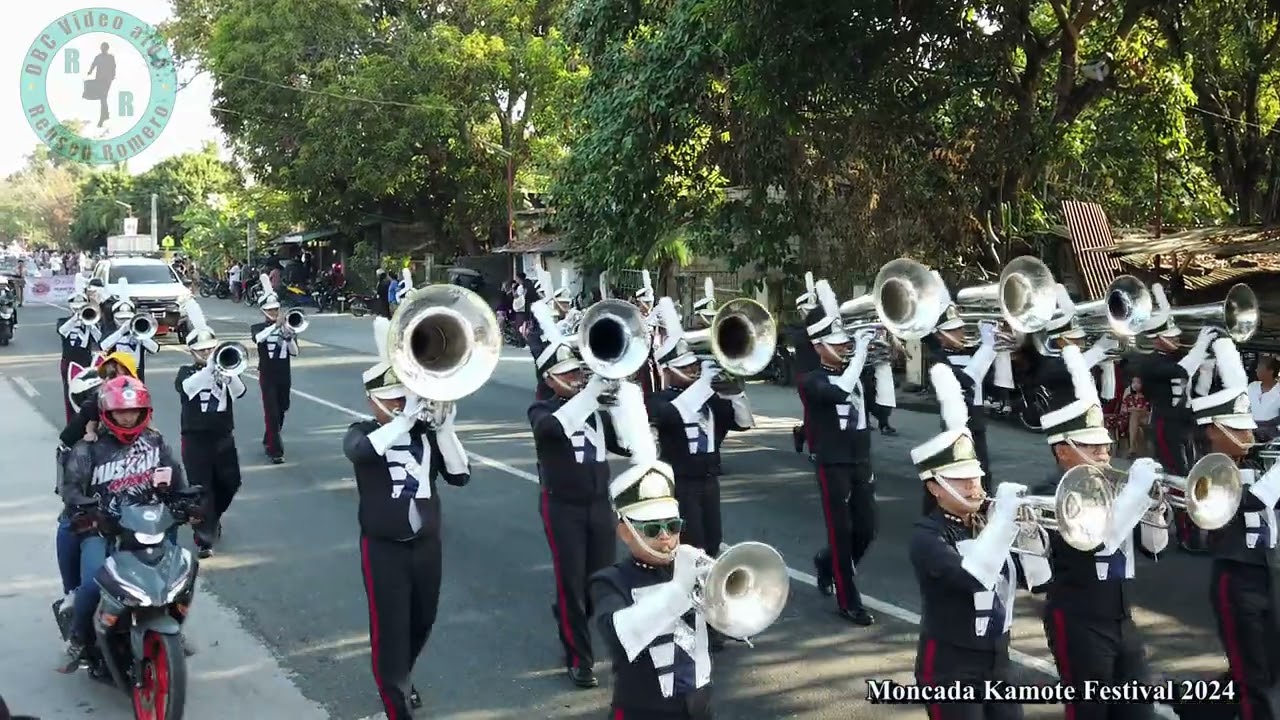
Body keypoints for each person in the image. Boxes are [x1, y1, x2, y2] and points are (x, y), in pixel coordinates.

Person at [344, 315, 471, 718]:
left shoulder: (425, 434)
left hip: (426, 545)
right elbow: (363, 454)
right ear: (374, 401)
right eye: (396, 398)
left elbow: (460, 475)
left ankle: (401, 676)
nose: (405, 404)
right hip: (384, 548)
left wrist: (446, 428)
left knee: (423, 620)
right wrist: (403, 419)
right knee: (389, 631)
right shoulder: (362, 432)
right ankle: (396, 701)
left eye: (407, 397)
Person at [1035, 344, 1166, 720]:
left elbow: (1153, 546)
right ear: (1062, 450)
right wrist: (1137, 494)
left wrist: (1155, 506)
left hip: (1122, 616)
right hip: (1078, 620)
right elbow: (1099, 537)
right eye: (1093, 446)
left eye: (1106, 444)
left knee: (1140, 714)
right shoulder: (1051, 493)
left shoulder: (1117, 487)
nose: (1106, 452)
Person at [911, 363, 1048, 720]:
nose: (975, 486)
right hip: (949, 668)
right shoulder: (927, 538)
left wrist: (1029, 529)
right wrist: (1003, 522)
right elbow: (973, 578)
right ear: (935, 488)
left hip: (996, 659)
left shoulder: (988, 523)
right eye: (962, 480)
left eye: (976, 477)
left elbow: (1039, 578)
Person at [1169, 337, 1279, 720]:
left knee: (1264, 667)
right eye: (1240, 429)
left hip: (1268, 574)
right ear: (1214, 430)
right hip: (1237, 580)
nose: (1250, 435)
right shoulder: (1207, 471)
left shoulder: (1257, 458)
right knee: (1254, 679)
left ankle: (1197, 708)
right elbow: (1248, 500)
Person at [526, 299, 631, 688]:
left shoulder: (595, 408)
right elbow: (552, 430)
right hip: (562, 506)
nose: (576, 378)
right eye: (567, 374)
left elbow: (625, 444)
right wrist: (589, 395)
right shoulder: (541, 411)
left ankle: (570, 619)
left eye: (578, 372)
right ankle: (579, 658)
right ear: (550, 379)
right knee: (571, 582)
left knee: (601, 580)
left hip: (599, 504)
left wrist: (622, 404)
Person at [590, 431, 715, 719]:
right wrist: (679, 590)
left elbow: (727, 627)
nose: (666, 537)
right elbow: (619, 637)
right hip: (642, 710)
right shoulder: (610, 581)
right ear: (625, 532)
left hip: (699, 702)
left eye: (672, 525)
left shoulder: (690, 568)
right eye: (651, 529)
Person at [58, 376, 185, 659]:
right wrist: (90, 510)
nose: (127, 418)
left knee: (179, 575)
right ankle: (80, 639)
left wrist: (189, 502)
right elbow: (71, 489)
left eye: (133, 411)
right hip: (102, 530)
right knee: (92, 585)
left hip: (145, 527)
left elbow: (176, 478)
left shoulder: (156, 442)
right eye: (120, 412)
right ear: (107, 413)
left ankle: (173, 627)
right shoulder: (87, 449)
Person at [648, 297, 754, 558]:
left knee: (713, 541)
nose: (694, 371)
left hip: (710, 480)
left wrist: (736, 390)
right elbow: (674, 414)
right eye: (687, 367)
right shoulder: (658, 401)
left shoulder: (709, 398)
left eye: (695, 365)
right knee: (690, 543)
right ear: (668, 370)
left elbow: (743, 422)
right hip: (680, 483)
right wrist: (705, 383)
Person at [801, 279, 879, 625]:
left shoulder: (854, 371)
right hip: (832, 464)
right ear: (819, 345)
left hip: (861, 460)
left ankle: (826, 561)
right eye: (837, 342)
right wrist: (859, 356)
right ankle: (849, 601)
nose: (846, 346)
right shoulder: (811, 380)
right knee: (842, 532)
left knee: (868, 528)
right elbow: (838, 394)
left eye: (846, 341)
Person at [1128, 284, 1218, 552]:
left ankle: (1198, 528)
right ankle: (1186, 533)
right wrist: (1201, 346)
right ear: (1158, 338)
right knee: (1177, 478)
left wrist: (1207, 365)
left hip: (1185, 423)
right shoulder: (1152, 363)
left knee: (1193, 475)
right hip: (1166, 425)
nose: (1178, 340)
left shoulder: (1170, 358)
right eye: (1172, 336)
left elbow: (1194, 385)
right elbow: (1180, 371)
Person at [176, 305, 247, 559]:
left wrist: (227, 373)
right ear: (191, 351)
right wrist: (210, 367)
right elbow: (188, 389)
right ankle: (203, 538)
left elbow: (240, 393)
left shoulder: (224, 371)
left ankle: (212, 517)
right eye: (201, 350)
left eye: (210, 349)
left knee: (230, 482)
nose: (206, 353)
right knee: (200, 488)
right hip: (195, 439)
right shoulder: (186, 373)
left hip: (223, 437)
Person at [922, 295, 998, 498]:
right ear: (940, 335)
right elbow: (966, 380)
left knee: (984, 473)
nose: (962, 332)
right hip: (955, 426)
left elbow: (990, 382)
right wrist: (988, 348)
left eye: (961, 328)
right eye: (954, 330)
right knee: (959, 473)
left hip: (978, 421)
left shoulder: (973, 351)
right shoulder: (938, 360)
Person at [250, 275, 298, 464]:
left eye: (276, 309)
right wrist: (275, 327)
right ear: (263, 311)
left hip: (284, 374)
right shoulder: (258, 327)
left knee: (282, 408)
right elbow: (258, 339)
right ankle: (275, 450)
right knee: (271, 411)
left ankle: (269, 437)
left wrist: (288, 335)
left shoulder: (287, 327)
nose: (274, 312)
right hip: (267, 374)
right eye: (270, 310)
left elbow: (294, 352)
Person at [56, 278, 100, 423]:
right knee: (70, 395)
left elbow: (99, 339)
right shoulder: (63, 321)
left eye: (81, 305)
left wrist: (90, 324)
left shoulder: (90, 322)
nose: (78, 308)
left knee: (89, 395)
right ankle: (72, 423)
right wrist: (76, 318)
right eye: (75, 305)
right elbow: (62, 331)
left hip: (86, 362)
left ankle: (88, 422)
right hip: (69, 362)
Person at [98, 290, 158, 383]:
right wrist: (121, 332)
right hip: (115, 373)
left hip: (136, 373)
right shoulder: (110, 330)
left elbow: (155, 348)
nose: (124, 321)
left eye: (127, 319)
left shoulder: (142, 330)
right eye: (121, 319)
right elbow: (103, 346)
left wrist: (140, 336)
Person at [791, 274, 821, 460]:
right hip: (805, 377)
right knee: (812, 413)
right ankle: (815, 449)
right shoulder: (798, 332)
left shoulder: (822, 327)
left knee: (822, 413)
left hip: (823, 374)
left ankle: (801, 433)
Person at [1247, 354, 1280, 441]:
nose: (1256, 370)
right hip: (1249, 432)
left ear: (1270, 371)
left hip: (1273, 435)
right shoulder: (1252, 386)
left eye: (1260, 368)